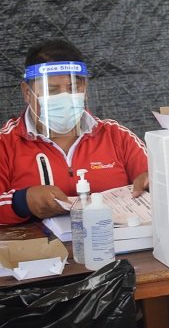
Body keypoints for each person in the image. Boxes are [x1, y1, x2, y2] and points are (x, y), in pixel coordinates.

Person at [0, 39, 149, 225]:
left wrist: (155, 182)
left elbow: (151, 179)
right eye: (51, 90)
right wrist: (21, 202)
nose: (65, 98)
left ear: (85, 88)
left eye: (73, 88)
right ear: (27, 92)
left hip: (114, 248)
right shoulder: (5, 144)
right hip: (37, 250)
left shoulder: (117, 137)